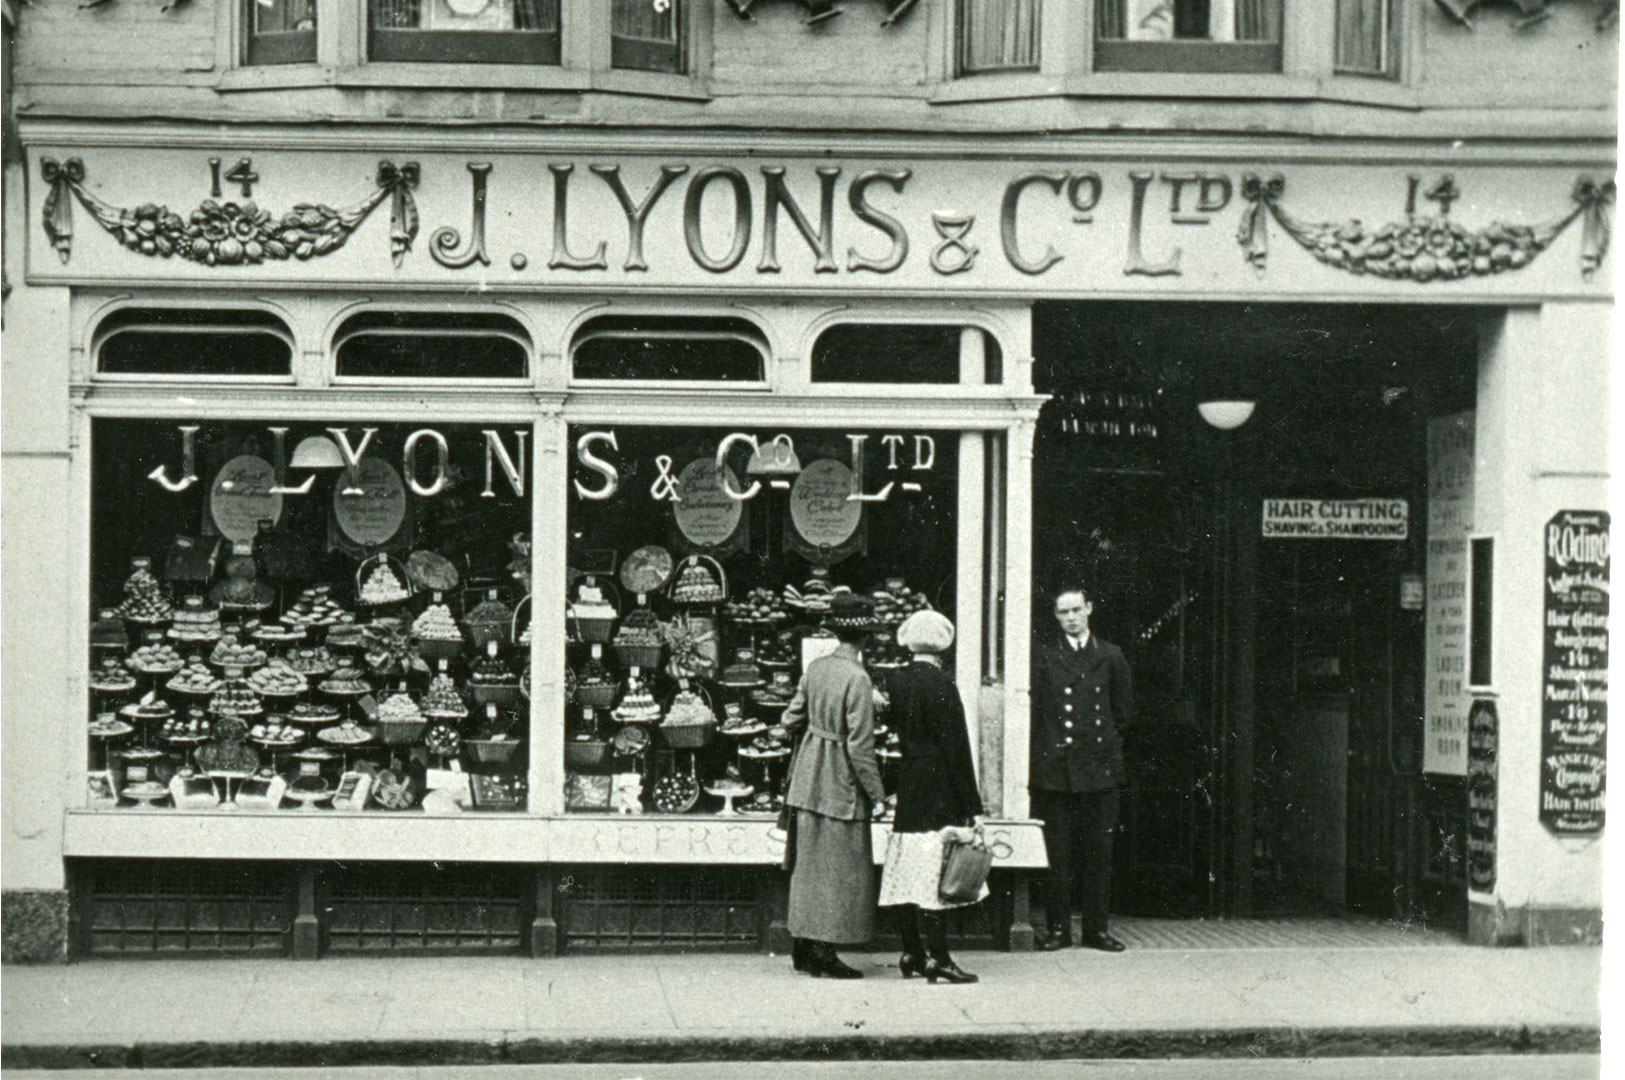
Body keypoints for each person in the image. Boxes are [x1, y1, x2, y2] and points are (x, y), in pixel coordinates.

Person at [780, 592, 887, 979]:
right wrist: (877, 795)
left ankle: (803, 948)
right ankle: (824, 952)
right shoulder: (858, 677)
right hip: (839, 780)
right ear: (867, 640)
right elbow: (860, 746)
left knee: (807, 866)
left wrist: (813, 731)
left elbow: (789, 719)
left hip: (807, 775)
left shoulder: (817, 667)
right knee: (837, 871)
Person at [875, 609, 985, 985]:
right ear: (942, 646)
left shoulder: (895, 681)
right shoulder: (943, 684)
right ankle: (940, 957)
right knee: (935, 873)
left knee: (907, 867)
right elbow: (957, 749)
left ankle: (912, 952)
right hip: (940, 786)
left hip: (909, 782)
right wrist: (973, 806)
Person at [1030, 583, 1133, 952]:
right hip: (1056, 772)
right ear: (1056, 617)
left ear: (1089, 608)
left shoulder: (1111, 655)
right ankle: (1058, 929)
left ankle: (1097, 930)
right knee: (1058, 855)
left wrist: (1102, 753)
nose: (1071, 618)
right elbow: (1038, 713)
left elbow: (1123, 713)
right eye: (1063, 612)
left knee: (1098, 854)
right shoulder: (1044, 657)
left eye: (1076, 610)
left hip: (1099, 770)